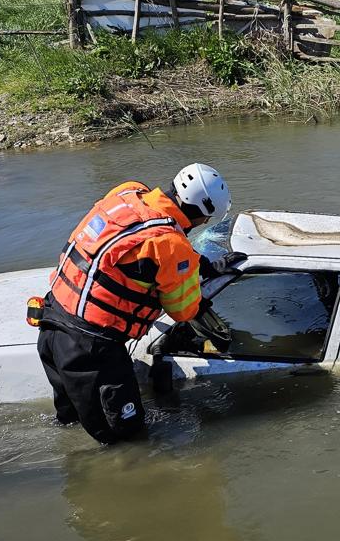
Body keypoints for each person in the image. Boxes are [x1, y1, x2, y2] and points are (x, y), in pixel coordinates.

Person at [34, 163, 242, 444]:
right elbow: (184, 311)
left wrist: (202, 265)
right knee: (126, 441)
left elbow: (141, 242)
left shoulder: (127, 193)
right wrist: (197, 281)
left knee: (70, 423)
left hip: (51, 322)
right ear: (203, 217)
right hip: (92, 351)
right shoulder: (171, 245)